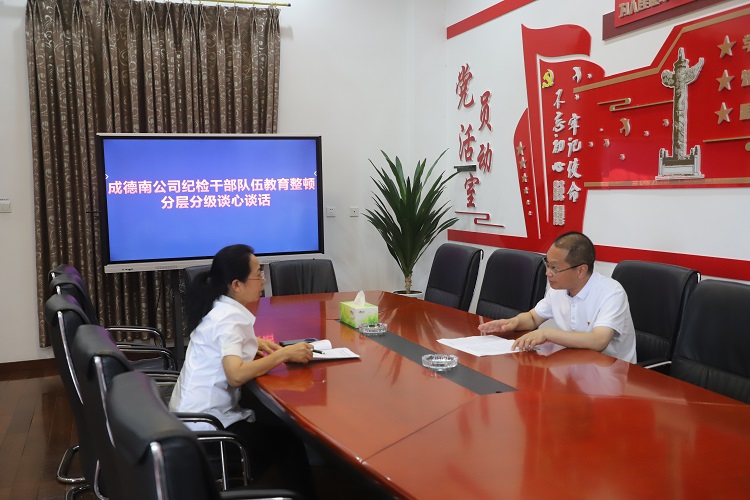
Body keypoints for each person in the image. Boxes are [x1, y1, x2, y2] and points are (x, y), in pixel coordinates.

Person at [169, 244, 316, 496]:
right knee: (288, 441)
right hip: (209, 432)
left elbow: (222, 343)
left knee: (268, 419)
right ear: (236, 285)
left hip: (187, 420)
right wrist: (283, 354)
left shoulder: (219, 308)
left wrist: (252, 341)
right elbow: (235, 375)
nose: (263, 280)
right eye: (258, 274)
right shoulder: (230, 319)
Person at [478, 232, 636, 363]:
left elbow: (599, 341)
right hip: (574, 365)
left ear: (581, 270)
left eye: (555, 268)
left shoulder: (611, 293)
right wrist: (513, 323)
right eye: (547, 264)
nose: (548, 273)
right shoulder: (558, 289)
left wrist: (547, 334)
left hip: (612, 374)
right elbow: (533, 318)